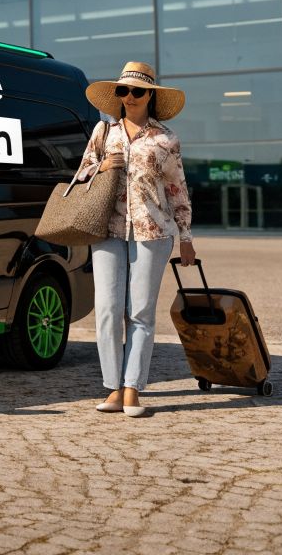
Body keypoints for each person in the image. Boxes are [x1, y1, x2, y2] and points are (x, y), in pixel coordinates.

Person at [78, 62, 194, 418]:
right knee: (109, 311)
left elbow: (177, 190)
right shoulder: (103, 132)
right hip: (106, 231)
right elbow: (80, 175)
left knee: (140, 313)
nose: (129, 97)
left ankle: (132, 390)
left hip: (153, 232)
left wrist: (186, 236)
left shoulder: (165, 139)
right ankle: (112, 387)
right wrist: (102, 167)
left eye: (137, 91)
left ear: (150, 96)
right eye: (123, 91)